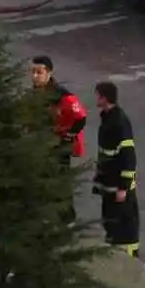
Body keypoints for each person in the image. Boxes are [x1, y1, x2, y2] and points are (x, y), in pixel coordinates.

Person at [32, 55, 87, 223]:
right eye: (32, 72)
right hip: (41, 144)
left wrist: (67, 137)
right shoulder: (35, 93)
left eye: (39, 72)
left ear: (49, 73)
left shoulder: (62, 95)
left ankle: (67, 219)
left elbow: (80, 118)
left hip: (58, 147)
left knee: (61, 183)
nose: (34, 76)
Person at [92, 80, 139, 256]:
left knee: (125, 224)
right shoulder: (108, 118)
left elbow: (128, 157)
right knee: (111, 221)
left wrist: (124, 187)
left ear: (105, 98)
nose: (95, 99)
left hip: (118, 185)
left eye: (97, 95)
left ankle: (129, 256)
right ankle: (115, 249)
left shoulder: (119, 122)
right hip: (109, 182)